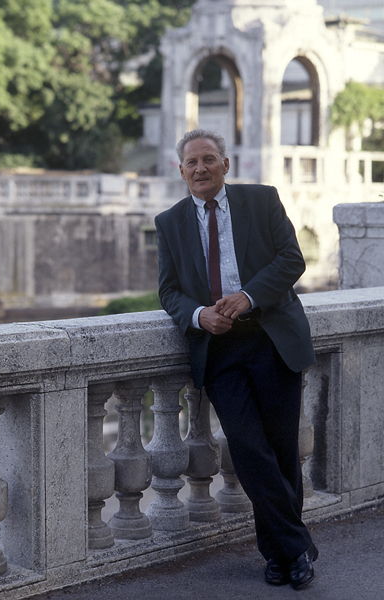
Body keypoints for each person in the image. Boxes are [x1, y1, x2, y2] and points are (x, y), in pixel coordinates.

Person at [154, 129, 318, 590]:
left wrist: (248, 296)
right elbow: (168, 291)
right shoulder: (169, 222)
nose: (201, 168)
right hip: (220, 349)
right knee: (248, 448)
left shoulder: (261, 201)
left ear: (226, 164)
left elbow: (291, 260)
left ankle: (279, 554)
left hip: (271, 338)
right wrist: (198, 315)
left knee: (281, 449)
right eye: (192, 162)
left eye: (209, 159)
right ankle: (297, 547)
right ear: (181, 171)